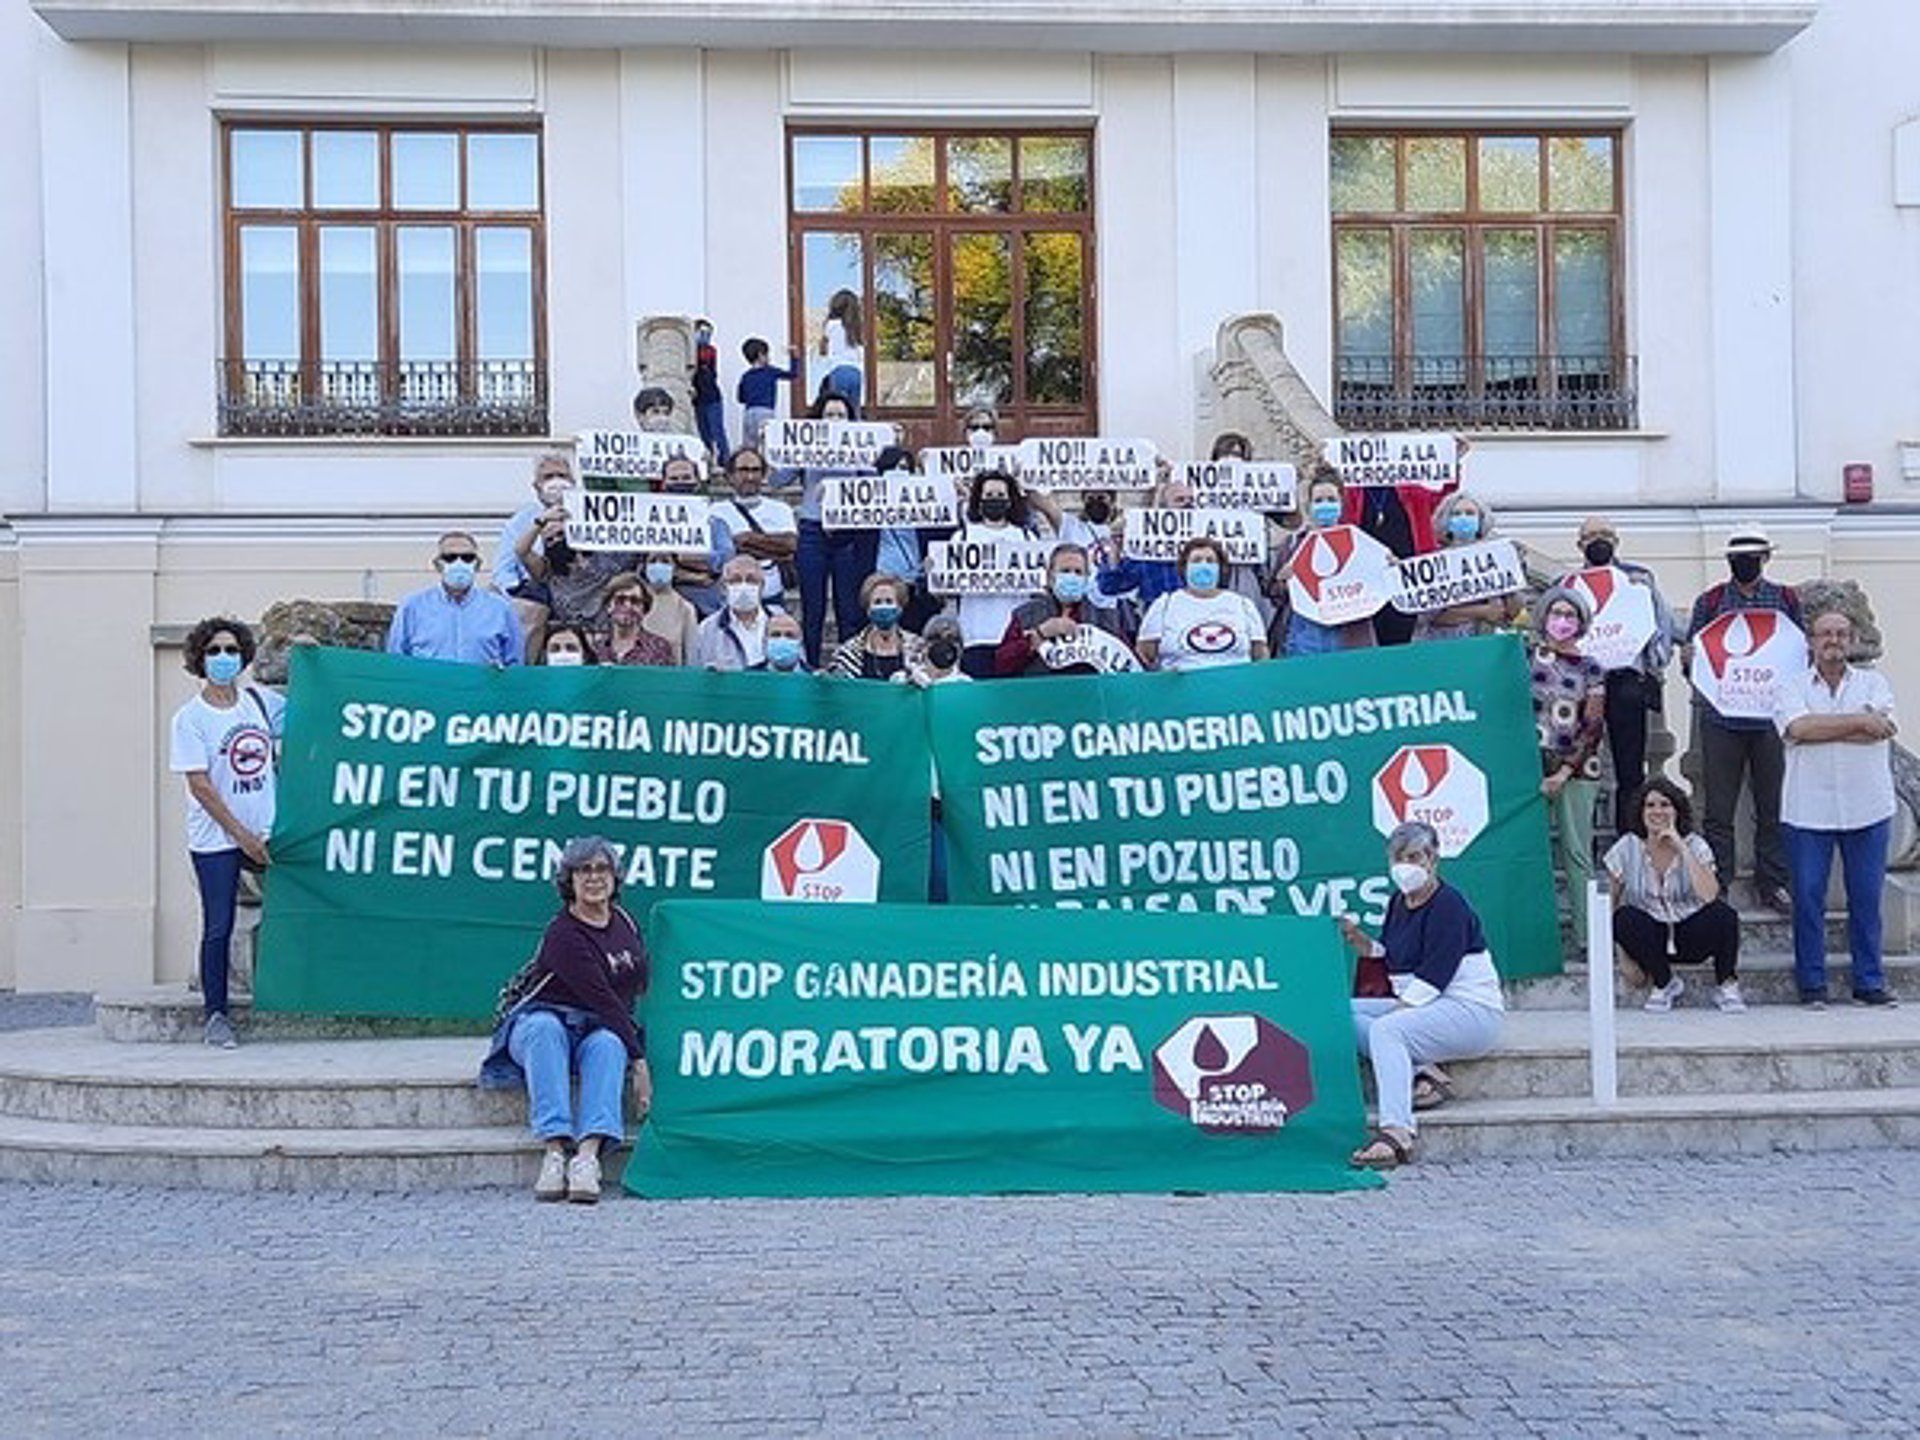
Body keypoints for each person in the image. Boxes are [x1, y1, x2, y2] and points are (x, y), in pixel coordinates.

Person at [479, 836, 648, 1204]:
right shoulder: (563, 934)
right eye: (582, 870)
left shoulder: (625, 922)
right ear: (568, 881)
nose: (593, 878)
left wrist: (632, 1047)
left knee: (608, 1043)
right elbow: (602, 997)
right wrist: (640, 1062)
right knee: (545, 1030)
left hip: (595, 1028)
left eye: (602, 869)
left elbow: (635, 985)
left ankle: (587, 1157)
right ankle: (554, 1150)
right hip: (541, 1021)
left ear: (615, 877)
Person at [1341, 821, 1505, 1169]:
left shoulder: (1450, 905)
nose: (1406, 865)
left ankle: (1397, 1131)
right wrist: (1356, 938)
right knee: (1339, 1013)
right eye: (1399, 858)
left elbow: (1436, 975)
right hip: (1426, 1005)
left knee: (1388, 1030)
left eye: (1415, 856)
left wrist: (1395, 1014)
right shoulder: (1398, 903)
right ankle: (1421, 1071)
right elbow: (1389, 956)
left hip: (1470, 1010)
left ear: (1433, 859)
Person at [1775, 606, 1901, 1007]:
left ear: (1853, 640)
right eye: (1825, 633)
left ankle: (1869, 982)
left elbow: (1882, 730)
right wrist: (1858, 723)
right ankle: (1812, 983)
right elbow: (1796, 729)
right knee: (1808, 898)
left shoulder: (1875, 683)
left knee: (1866, 899)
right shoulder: (1791, 686)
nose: (1834, 640)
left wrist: (1823, 727)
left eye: (1841, 634)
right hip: (1806, 808)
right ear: (1811, 641)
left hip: (1868, 805)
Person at [170, 617, 285, 1050]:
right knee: (219, 924)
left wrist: (311, 656)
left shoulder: (258, 701)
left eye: (231, 650)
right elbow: (200, 785)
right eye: (214, 651)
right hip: (217, 838)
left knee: (293, 911)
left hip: (268, 830)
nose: (223, 658)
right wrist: (241, 835)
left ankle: (289, 996)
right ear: (200, 659)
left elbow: (312, 707)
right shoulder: (190, 718)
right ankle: (216, 1014)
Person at [1686, 523, 1802, 914]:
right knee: (1718, 808)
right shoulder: (1711, 601)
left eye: (1751, 557)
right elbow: (1696, 655)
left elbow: (1798, 654)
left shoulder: (1786, 599)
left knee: (1773, 805)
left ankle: (1773, 883)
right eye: (1738, 558)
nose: (1744, 564)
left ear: (1765, 559)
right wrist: (1691, 662)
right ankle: (1719, 882)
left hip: (1770, 719)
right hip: (1721, 718)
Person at [1567, 517, 1680, 834]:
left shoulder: (1639, 579)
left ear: (1616, 541)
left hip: (1626, 680)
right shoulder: (1568, 584)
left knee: (1630, 770)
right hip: (1579, 683)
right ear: (1579, 544)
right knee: (1577, 766)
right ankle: (1584, 847)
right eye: (1591, 536)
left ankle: (1629, 840)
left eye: (1605, 535)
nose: (1598, 541)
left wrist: (1656, 663)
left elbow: (1661, 624)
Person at [1605, 778, 1744, 1013]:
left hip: (1690, 934)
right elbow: (1609, 903)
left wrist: (1681, 847)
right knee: (1624, 917)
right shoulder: (1626, 847)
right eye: (1650, 805)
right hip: (1653, 939)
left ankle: (1727, 984)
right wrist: (1623, 956)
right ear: (1641, 812)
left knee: (1725, 916)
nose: (1657, 811)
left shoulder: (1696, 845)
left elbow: (1710, 895)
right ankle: (1664, 982)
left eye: (1665, 804)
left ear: (1677, 811)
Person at [1531, 585, 1608, 950]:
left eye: (1570, 615)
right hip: (1530, 764)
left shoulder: (1592, 667)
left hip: (1577, 768)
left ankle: (1587, 938)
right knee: (1529, 852)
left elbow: (1593, 725)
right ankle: (1537, 939)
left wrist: (1564, 772)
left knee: (1577, 852)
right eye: (1556, 613)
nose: (1562, 621)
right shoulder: (1526, 658)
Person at [792, 390, 881, 668]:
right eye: (829, 414)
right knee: (812, 607)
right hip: (812, 530)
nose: (834, 420)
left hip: (847, 531)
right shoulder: (805, 448)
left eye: (840, 415)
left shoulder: (858, 449)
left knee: (848, 606)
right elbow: (779, 478)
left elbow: (874, 481)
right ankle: (810, 665)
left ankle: (847, 666)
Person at [1341, 441, 1459, 647]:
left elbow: (1441, 498)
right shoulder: (1353, 492)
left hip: (1409, 575)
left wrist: (1453, 460)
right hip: (1369, 578)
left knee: (1405, 632)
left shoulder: (1410, 488)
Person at [952, 468, 1048, 677]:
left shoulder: (1026, 538)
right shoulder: (962, 537)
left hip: (1016, 636)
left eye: (1000, 496)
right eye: (988, 496)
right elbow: (944, 591)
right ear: (978, 500)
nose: (994, 500)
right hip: (975, 636)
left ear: (1010, 500)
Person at [1273, 466, 1376, 657]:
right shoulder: (1292, 544)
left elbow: (1377, 584)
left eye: (1331, 500)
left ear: (1341, 503)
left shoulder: (1361, 543)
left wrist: (1388, 565)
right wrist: (1282, 581)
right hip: (1304, 634)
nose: (1325, 505)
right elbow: (1275, 596)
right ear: (1309, 506)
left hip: (1348, 634)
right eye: (1319, 501)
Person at [995, 543, 1133, 676]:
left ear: (1086, 578)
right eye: (1065, 571)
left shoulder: (1105, 617)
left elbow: (1128, 662)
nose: (1072, 577)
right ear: (1050, 576)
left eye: (1078, 572)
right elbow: (1001, 665)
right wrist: (1039, 635)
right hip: (1039, 695)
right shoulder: (1026, 615)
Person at [386, 531, 523, 666]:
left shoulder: (500, 609)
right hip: (429, 687)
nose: (459, 563)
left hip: (480, 687)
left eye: (467, 558)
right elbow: (396, 661)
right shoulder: (412, 606)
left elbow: (514, 663)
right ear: (437, 565)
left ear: (478, 564)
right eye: (450, 557)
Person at [1137, 538, 1269, 671]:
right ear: (1184, 567)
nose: (1203, 565)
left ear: (1221, 568)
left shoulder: (1243, 605)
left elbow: (1260, 656)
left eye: (1210, 561)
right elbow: (1145, 656)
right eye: (1196, 560)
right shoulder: (1164, 605)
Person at [494, 452, 573, 662]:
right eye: (548, 477)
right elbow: (504, 570)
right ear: (536, 486)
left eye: (561, 475)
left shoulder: (590, 513)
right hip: (535, 592)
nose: (556, 482)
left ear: (572, 481)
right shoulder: (521, 521)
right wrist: (518, 594)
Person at [1415, 492, 1520, 642]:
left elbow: (1514, 611)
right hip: (1444, 643)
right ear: (1447, 522)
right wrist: (1481, 611)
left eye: (1470, 513)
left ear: (1481, 520)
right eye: (1456, 514)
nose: (1463, 518)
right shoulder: (1435, 562)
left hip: (1487, 641)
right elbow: (1430, 617)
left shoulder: (1497, 556)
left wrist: (1512, 577)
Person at [711, 447, 797, 611]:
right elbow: (721, 554)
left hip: (772, 594)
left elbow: (790, 546)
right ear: (730, 476)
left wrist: (746, 540)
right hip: (729, 595)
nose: (750, 476)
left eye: (755, 470)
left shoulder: (781, 509)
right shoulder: (716, 511)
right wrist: (773, 548)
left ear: (763, 474)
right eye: (743, 470)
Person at [658, 453, 737, 619]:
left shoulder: (715, 524)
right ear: (664, 483)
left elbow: (727, 559)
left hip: (708, 610)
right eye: (674, 478)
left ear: (697, 483)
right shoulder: (650, 524)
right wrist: (698, 573)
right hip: (663, 612)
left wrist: (693, 558)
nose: (680, 483)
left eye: (686, 477)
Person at [1096, 474, 1190, 611]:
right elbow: (1109, 587)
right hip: (1159, 624)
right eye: (1180, 500)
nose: (1188, 505)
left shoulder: (1211, 546)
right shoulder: (1146, 552)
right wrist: (1114, 554)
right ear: (1163, 510)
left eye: (1191, 499)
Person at [828, 573, 925, 680]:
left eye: (889, 601)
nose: (883, 607)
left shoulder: (918, 647)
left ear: (900, 607)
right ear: (868, 609)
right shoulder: (849, 652)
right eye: (877, 602)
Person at [693, 555, 778, 670]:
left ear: (762, 586)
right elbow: (697, 674)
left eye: (751, 580)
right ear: (723, 587)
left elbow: (799, 670)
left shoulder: (781, 623)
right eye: (736, 580)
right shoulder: (707, 629)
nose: (744, 586)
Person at [595, 575, 676, 667]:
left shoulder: (660, 648)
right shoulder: (596, 648)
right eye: (620, 600)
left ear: (644, 610)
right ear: (609, 606)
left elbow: (669, 681)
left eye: (635, 601)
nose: (627, 606)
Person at [736, 336, 798, 451]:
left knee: (750, 446)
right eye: (767, 354)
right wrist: (794, 358)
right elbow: (793, 375)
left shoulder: (746, 376)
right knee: (767, 445)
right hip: (765, 412)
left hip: (749, 413)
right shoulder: (770, 371)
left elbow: (740, 398)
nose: (769, 358)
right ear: (760, 355)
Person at [638, 555, 700, 664]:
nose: (658, 565)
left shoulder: (685, 609)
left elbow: (692, 658)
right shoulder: (634, 603)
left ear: (674, 568)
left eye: (665, 561)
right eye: (652, 561)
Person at [690, 318, 729, 467]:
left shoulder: (710, 351)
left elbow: (712, 370)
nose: (705, 336)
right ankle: (708, 460)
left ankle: (725, 459)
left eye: (708, 333)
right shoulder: (689, 351)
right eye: (702, 332)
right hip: (698, 399)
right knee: (704, 431)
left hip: (713, 397)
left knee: (717, 430)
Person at [818, 288, 865, 406]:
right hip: (856, 372)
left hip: (838, 370)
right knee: (853, 409)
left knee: (837, 407)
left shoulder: (831, 325)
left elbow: (823, 350)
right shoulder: (856, 327)